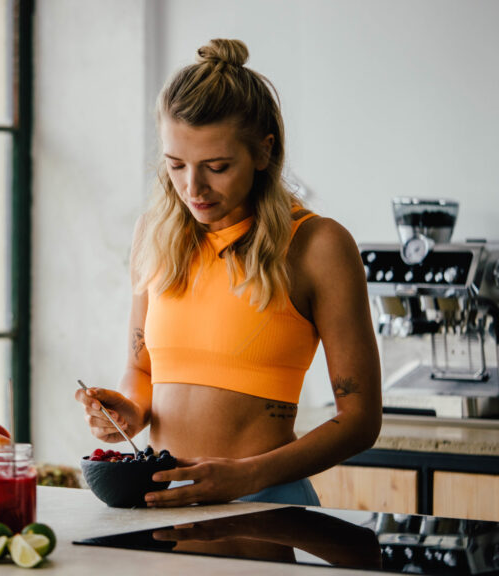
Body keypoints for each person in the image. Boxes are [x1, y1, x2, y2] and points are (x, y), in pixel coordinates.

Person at [74, 38, 382, 507]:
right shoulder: (153, 235)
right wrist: (129, 413)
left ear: (263, 151)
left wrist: (246, 475)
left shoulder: (318, 246)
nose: (192, 188)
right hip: (158, 508)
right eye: (176, 165)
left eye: (216, 167)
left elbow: (360, 419)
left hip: (263, 505)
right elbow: (141, 368)